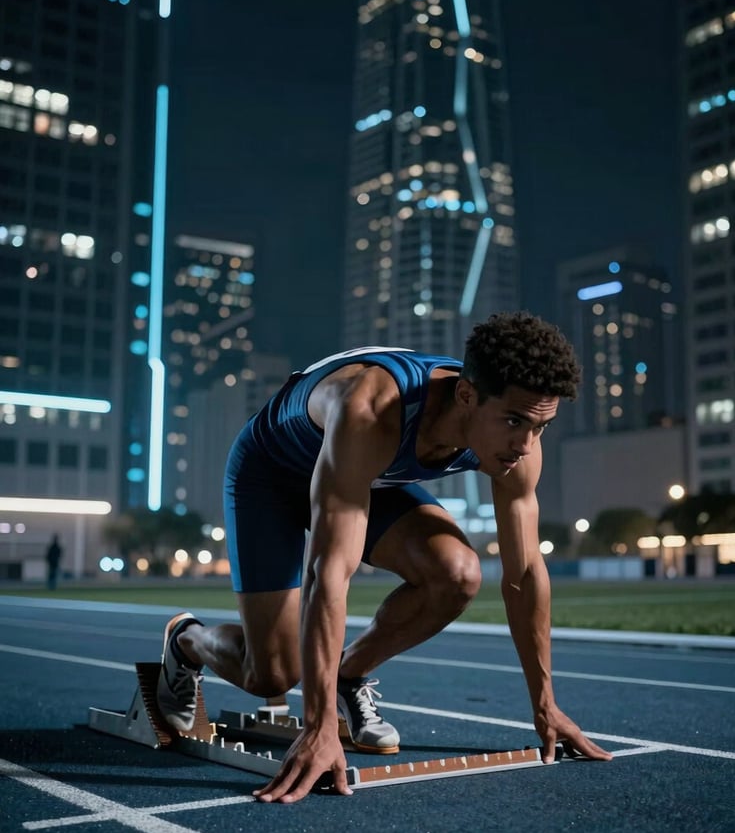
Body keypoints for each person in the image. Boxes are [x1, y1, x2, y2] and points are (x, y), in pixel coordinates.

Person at [156, 311, 613, 802]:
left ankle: (349, 674)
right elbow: (329, 570)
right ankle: (186, 641)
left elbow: (524, 573)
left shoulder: (518, 446)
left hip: (366, 477)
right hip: (272, 476)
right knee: (271, 674)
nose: (525, 445)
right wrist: (318, 726)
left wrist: (546, 705)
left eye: (541, 427)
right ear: (466, 396)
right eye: (514, 421)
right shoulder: (371, 409)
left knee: (457, 574)